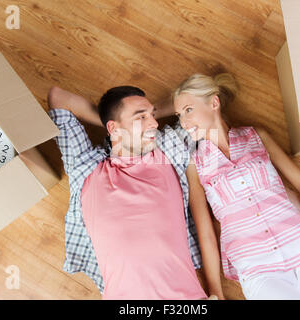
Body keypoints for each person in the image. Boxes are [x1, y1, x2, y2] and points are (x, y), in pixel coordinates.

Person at [171, 73, 300, 300]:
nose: (183, 122)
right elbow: (206, 231)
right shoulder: (195, 163)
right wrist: (215, 292)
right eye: (179, 115)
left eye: (188, 110)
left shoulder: (257, 136)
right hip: (257, 269)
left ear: (214, 102)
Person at [46, 85, 211, 300]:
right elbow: (57, 97)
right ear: (113, 127)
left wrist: (137, 122)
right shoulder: (84, 168)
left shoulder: (169, 150)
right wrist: (113, 124)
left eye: (152, 115)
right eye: (141, 117)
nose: (154, 122)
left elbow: (199, 96)